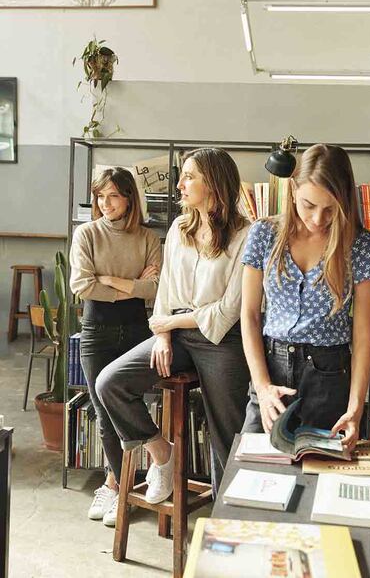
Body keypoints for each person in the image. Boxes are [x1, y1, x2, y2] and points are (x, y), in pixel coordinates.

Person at [95, 147, 251, 500]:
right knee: (110, 384)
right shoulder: (181, 227)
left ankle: (229, 515)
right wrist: (163, 333)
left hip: (223, 340)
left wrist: (168, 322)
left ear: (213, 182)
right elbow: (165, 288)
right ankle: (162, 454)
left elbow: (228, 310)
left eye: (189, 176)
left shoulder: (247, 235)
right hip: (177, 333)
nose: (179, 184)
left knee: (227, 435)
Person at [241, 144, 370, 453]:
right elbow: (249, 315)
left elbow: (363, 333)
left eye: (330, 209)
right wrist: (262, 389)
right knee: (252, 470)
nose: (318, 218)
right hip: (271, 369)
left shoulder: (361, 245)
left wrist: (356, 408)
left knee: (320, 478)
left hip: (329, 374)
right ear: (293, 191)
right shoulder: (263, 233)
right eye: (308, 205)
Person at [70, 167, 161, 526]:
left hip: (138, 329)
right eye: (100, 196)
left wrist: (108, 279)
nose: (106, 204)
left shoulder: (147, 237)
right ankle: (121, 486)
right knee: (103, 410)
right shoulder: (86, 234)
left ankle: (116, 482)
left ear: (129, 198)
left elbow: (155, 290)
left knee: (127, 404)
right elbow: (82, 285)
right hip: (96, 329)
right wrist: (132, 284)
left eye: (114, 196)